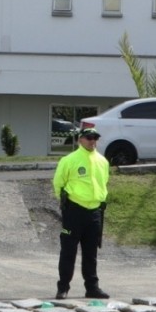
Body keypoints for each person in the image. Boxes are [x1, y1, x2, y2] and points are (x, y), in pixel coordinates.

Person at [52, 127, 110, 300]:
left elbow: (104, 183)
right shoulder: (69, 160)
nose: (92, 141)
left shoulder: (102, 161)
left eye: (95, 138)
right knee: (68, 251)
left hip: (94, 211)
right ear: (80, 140)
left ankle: (92, 287)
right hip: (74, 210)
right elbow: (58, 183)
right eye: (89, 137)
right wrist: (65, 204)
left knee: (91, 252)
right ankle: (63, 287)